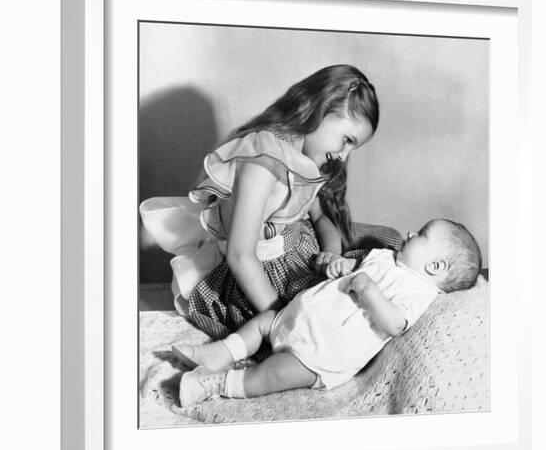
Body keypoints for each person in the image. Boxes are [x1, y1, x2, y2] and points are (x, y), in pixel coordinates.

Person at [140, 64, 382, 345]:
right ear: (321, 108)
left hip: (304, 254)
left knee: (387, 248)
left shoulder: (305, 158)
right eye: (347, 140)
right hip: (262, 280)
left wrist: (331, 253)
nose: (343, 156)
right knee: (330, 328)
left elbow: (321, 218)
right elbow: (240, 256)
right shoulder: (263, 161)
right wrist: (282, 321)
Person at [175, 218, 482, 407]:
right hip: (298, 315)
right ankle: (219, 352)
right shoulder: (385, 256)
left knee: (273, 373)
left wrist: (369, 291)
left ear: (436, 266)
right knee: (263, 323)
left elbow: (395, 325)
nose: (411, 231)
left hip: (320, 352)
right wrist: (342, 267)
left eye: (422, 234)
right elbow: (355, 268)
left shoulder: (419, 292)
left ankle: (216, 384)